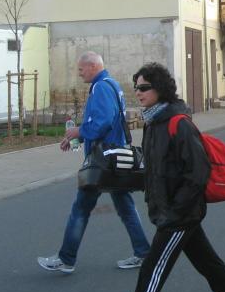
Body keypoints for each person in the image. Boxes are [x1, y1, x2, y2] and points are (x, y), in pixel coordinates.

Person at [92, 63, 225, 292]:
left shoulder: (178, 124)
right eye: (136, 87)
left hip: (179, 216)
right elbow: (157, 168)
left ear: (160, 89)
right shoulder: (152, 123)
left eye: (144, 87)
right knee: (209, 264)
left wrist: (176, 211)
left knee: (152, 271)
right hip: (171, 211)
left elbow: (198, 172)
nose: (138, 92)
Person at [37, 52, 151, 274]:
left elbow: (102, 122)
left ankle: (66, 259)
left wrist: (79, 131)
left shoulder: (100, 88)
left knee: (80, 209)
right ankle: (143, 252)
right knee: (125, 207)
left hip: (103, 162)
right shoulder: (111, 84)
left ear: (92, 66)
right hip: (114, 159)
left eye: (81, 69)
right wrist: (77, 137)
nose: (79, 74)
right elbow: (107, 121)